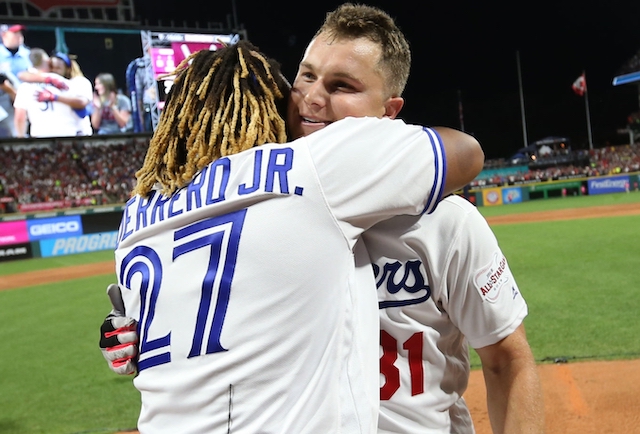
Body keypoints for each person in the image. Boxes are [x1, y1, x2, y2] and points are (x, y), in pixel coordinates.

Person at [101, 40, 483, 433]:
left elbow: (136, 342)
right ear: (268, 109)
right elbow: (466, 152)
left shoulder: (137, 212)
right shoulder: (303, 171)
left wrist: (123, 332)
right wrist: (372, 132)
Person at [287, 4, 544, 433]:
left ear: (389, 112)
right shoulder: (259, 212)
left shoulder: (447, 222)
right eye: (307, 75)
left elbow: (507, 362)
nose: (313, 98)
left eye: (342, 85)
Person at [13, 48, 84, 137]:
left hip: (40, 137)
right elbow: (82, 109)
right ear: (47, 61)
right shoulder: (65, 83)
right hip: (68, 135)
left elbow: (20, 117)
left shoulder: (25, 87)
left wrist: (21, 138)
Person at [0, 23, 31, 137]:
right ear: (3, 34)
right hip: (2, 103)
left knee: (20, 135)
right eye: (14, 33)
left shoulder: (28, 54)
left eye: (20, 33)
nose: (19, 36)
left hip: (23, 103)